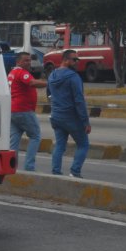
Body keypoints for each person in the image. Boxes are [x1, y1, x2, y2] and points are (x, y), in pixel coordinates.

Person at [47, 49, 91, 178]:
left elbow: (49, 95)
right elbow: (79, 100)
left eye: (77, 60)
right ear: (65, 60)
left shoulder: (52, 75)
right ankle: (75, 172)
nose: (77, 62)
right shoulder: (73, 77)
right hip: (71, 117)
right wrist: (85, 121)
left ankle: (56, 172)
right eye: (74, 59)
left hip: (56, 116)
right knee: (83, 144)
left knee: (60, 145)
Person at [8, 52, 47, 171]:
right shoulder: (21, 72)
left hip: (13, 110)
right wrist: (50, 83)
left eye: (29, 60)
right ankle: (29, 167)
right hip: (23, 110)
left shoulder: (12, 72)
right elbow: (32, 83)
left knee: (13, 141)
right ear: (18, 61)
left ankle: (11, 167)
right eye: (26, 60)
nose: (29, 62)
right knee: (35, 136)